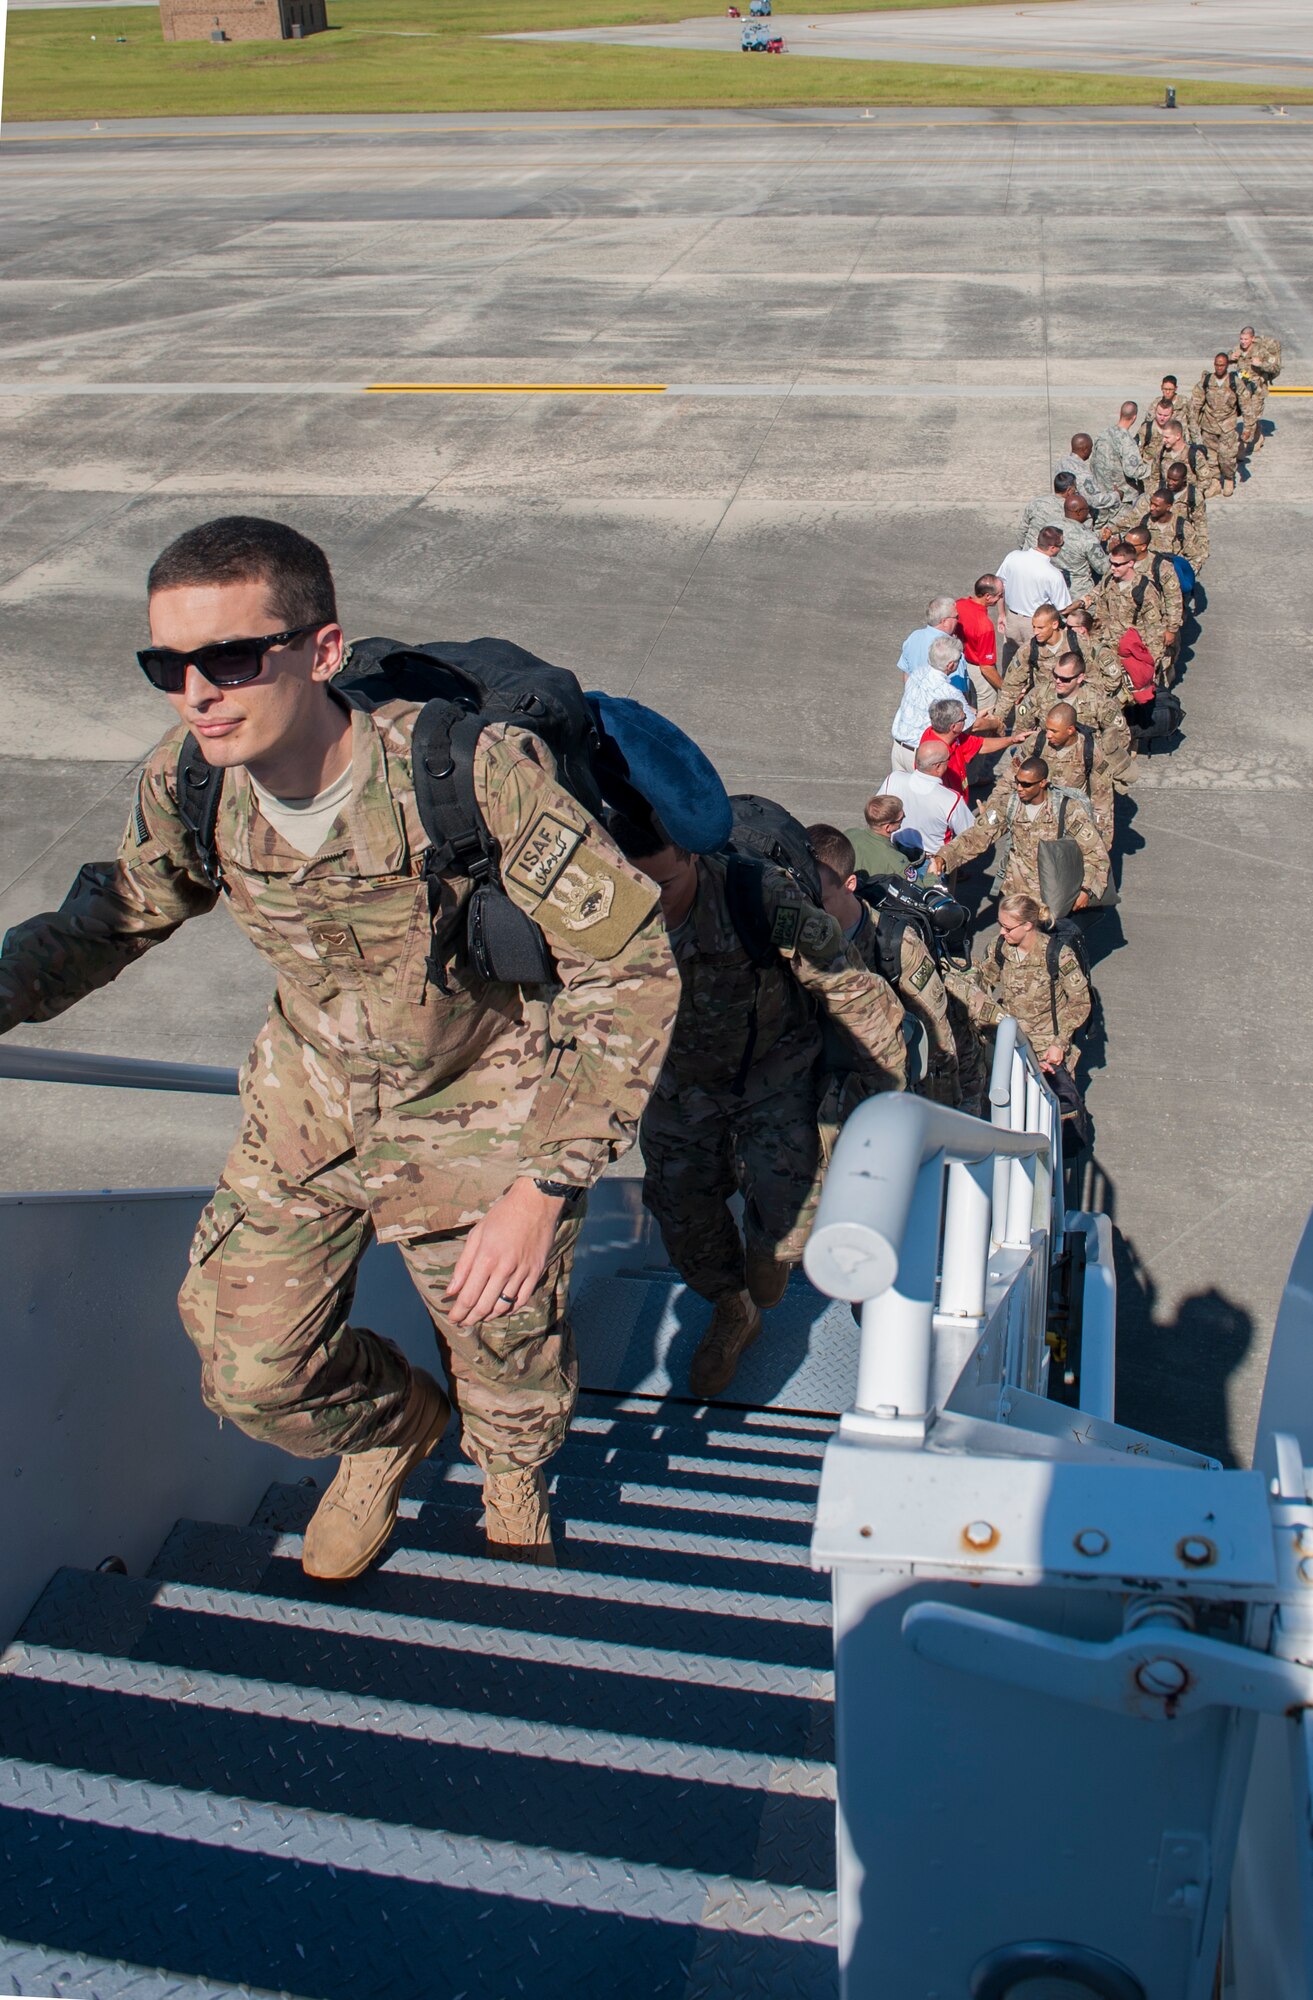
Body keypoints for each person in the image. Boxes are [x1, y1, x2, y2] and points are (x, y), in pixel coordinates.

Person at [0, 516, 683, 1577]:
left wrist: (541, 1186)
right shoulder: (190, 783)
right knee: (249, 1369)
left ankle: (511, 1479)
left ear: (320, 650)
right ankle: (386, 1429)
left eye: (230, 656)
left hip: (485, 1109)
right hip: (309, 1109)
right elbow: (109, 919)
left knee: (507, 1360)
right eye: (166, 664)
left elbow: (628, 967)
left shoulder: (467, 774)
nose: (197, 691)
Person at [613, 817, 906, 1400]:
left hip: (772, 1071)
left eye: (665, 886)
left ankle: (768, 1253)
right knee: (681, 1215)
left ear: (694, 858)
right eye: (636, 886)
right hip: (679, 1084)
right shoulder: (608, 903)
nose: (651, 906)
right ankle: (732, 1309)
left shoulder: (758, 893)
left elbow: (850, 989)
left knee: (785, 1236)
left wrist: (888, 1096)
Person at [809, 825, 961, 1108]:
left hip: (882, 1099)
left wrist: (943, 1120)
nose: (812, 910)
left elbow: (938, 1041)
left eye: (823, 900)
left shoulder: (896, 944)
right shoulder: (802, 936)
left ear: (850, 884)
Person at [931, 756, 1109, 910]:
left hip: (1054, 898)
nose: (1019, 788)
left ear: (1042, 783)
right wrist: (944, 857)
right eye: (1017, 782)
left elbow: (1096, 854)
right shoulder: (1009, 805)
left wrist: (1086, 890)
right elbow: (977, 836)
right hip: (1016, 898)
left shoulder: (1068, 809)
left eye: (1026, 784)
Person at [944, 893, 1091, 1080]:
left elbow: (1080, 1002)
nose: (1002, 933)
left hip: (1046, 1049)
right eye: (1000, 925)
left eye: (1007, 928)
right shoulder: (999, 947)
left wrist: (1059, 1044)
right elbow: (984, 981)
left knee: (1055, 1104)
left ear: (1027, 925)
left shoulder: (1058, 955)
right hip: (1009, 1042)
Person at [1027, 701, 1114, 845]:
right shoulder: (1037, 742)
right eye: (1047, 729)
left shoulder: (1091, 751)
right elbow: (1011, 778)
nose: (1048, 735)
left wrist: (1102, 838)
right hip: (1038, 818)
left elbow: (1102, 798)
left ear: (1070, 730)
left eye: (1054, 731)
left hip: (1073, 820)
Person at [1049, 648, 1134, 791]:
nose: (1058, 681)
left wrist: (1103, 769)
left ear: (1080, 678)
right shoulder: (1041, 695)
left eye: (1065, 679)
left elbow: (1121, 736)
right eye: (1055, 675)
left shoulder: (1099, 702)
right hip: (1050, 770)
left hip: (1087, 772)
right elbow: (1024, 728)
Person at [878, 739, 976, 860]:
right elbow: (970, 834)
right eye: (947, 760)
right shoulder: (951, 799)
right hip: (931, 863)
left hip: (894, 854)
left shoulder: (894, 778)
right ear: (938, 767)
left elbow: (877, 812)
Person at [890, 633, 973, 772]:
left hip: (898, 748)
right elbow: (969, 724)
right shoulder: (951, 693)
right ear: (951, 665)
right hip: (922, 754)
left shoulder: (916, 673)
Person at [919, 696, 1024, 801]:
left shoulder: (947, 735)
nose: (966, 721)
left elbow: (980, 745)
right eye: (964, 719)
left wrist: (1012, 740)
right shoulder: (936, 757)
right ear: (953, 727)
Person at [996, 527, 1072, 666]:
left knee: (1011, 662)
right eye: (1061, 545)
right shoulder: (1053, 574)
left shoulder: (1013, 556)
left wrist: (1001, 614)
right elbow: (1063, 608)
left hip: (1012, 619)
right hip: (1036, 624)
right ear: (1053, 548)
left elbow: (1000, 587)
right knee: (1037, 663)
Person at [1091, 540, 1167, 677]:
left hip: (1135, 652)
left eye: (1117, 564)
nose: (1112, 568)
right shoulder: (1109, 582)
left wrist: (1150, 663)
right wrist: (1095, 645)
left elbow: (1154, 629)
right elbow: (1101, 616)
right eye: (1111, 563)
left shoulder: (1145, 590)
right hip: (1111, 648)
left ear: (1130, 563)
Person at [996, 601, 1068, 730]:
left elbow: (1095, 675)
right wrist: (998, 718)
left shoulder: (1076, 643)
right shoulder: (1029, 649)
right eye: (1034, 627)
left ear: (1055, 624)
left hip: (1071, 709)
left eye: (1040, 628)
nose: (1035, 632)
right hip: (1042, 710)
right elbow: (1011, 686)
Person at [1122, 522, 1184, 667]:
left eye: (1131, 545)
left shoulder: (1161, 566)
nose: (1125, 547)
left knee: (1157, 665)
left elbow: (1173, 598)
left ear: (1143, 547)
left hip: (1155, 627)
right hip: (1128, 625)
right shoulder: (1122, 562)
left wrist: (1171, 629)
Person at [1190, 354, 1252, 497]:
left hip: (1227, 426)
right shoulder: (1206, 382)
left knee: (1227, 457)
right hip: (1209, 426)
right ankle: (1215, 483)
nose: (1219, 367)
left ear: (1227, 365)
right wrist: (1193, 425)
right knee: (1211, 458)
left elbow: (1246, 405)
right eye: (1217, 364)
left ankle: (1229, 478)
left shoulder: (1234, 382)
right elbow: (1195, 405)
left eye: (1222, 365)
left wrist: (1248, 427)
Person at [955, 574, 1005, 709]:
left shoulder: (959, 604)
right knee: (986, 707)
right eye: (999, 595)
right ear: (988, 596)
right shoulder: (985, 626)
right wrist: (1005, 688)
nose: (1001, 598)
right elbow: (986, 667)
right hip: (977, 668)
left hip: (962, 664)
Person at [1230, 326, 1281, 451]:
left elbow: (1275, 367)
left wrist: (1261, 364)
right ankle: (1258, 436)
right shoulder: (1237, 349)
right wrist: (1230, 357)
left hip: (1257, 390)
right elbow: (1226, 359)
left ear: (1252, 339)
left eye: (1246, 339)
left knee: (1252, 416)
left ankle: (1244, 445)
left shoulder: (1261, 351)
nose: (1243, 342)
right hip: (1242, 390)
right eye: (1241, 339)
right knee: (1247, 416)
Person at [1090, 402, 1150, 508]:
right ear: (1134, 417)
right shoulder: (1126, 440)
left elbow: (1093, 462)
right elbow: (1133, 471)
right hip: (1122, 496)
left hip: (1103, 493)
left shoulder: (1103, 434)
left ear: (1120, 413)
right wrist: (1151, 468)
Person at [1053, 433, 1120, 520]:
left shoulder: (1062, 462)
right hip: (1076, 516)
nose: (1091, 451)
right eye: (1091, 448)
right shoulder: (1082, 472)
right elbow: (1095, 500)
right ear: (1085, 449)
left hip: (1059, 509)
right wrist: (1117, 495)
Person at [846, 794, 914, 877]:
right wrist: (930, 874)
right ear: (888, 827)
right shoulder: (895, 860)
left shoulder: (849, 834)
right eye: (901, 818)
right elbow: (921, 889)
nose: (905, 816)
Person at [1055, 493, 1107, 599]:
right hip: (1078, 593)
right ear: (1078, 512)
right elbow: (1104, 568)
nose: (1088, 513)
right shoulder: (1088, 539)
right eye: (1087, 509)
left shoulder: (1051, 527)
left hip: (1054, 590)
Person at [1163, 458, 1211, 569]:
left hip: (1182, 541)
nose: (1170, 483)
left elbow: (1200, 523)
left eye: (1174, 480)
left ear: (1184, 479)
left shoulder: (1193, 496)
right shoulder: (1159, 490)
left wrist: (1203, 549)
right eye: (1168, 478)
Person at [896, 595, 960, 678]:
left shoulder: (914, 636)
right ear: (944, 621)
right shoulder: (950, 647)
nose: (958, 621)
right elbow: (959, 683)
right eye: (956, 617)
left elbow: (906, 672)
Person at [1018, 472, 1077, 550]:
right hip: (1051, 556)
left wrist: (1023, 548)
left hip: (1030, 551)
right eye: (1075, 488)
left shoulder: (1036, 502)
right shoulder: (1070, 509)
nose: (1076, 491)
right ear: (1069, 490)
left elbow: (1022, 530)